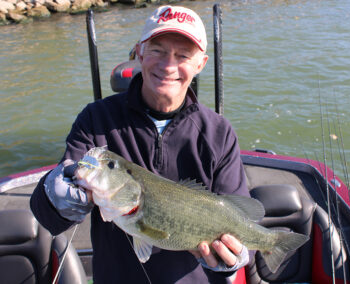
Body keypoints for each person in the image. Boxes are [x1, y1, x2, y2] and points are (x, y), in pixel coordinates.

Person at [31, 5, 252, 283]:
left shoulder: (219, 133)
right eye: (157, 50)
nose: (168, 66)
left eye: (183, 55)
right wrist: (55, 196)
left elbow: (242, 221)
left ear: (201, 64)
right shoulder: (95, 119)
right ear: (139, 52)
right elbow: (49, 218)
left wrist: (234, 257)